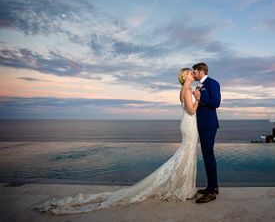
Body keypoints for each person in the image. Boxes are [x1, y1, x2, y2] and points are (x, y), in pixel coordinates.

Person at [34, 68, 199, 215]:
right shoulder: (186, 89)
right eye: (191, 72)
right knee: (186, 154)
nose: (193, 73)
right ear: (185, 76)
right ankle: (183, 189)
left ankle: (185, 187)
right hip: (189, 124)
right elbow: (191, 110)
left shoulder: (186, 89)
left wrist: (195, 95)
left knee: (187, 154)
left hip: (188, 124)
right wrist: (197, 98)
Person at [192, 62, 221, 204]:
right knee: (207, 156)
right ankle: (213, 186)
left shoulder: (213, 83)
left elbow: (216, 102)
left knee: (208, 156)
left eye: (195, 72)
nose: (193, 74)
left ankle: (211, 192)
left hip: (209, 125)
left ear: (201, 71)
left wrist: (199, 98)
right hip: (202, 125)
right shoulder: (199, 85)